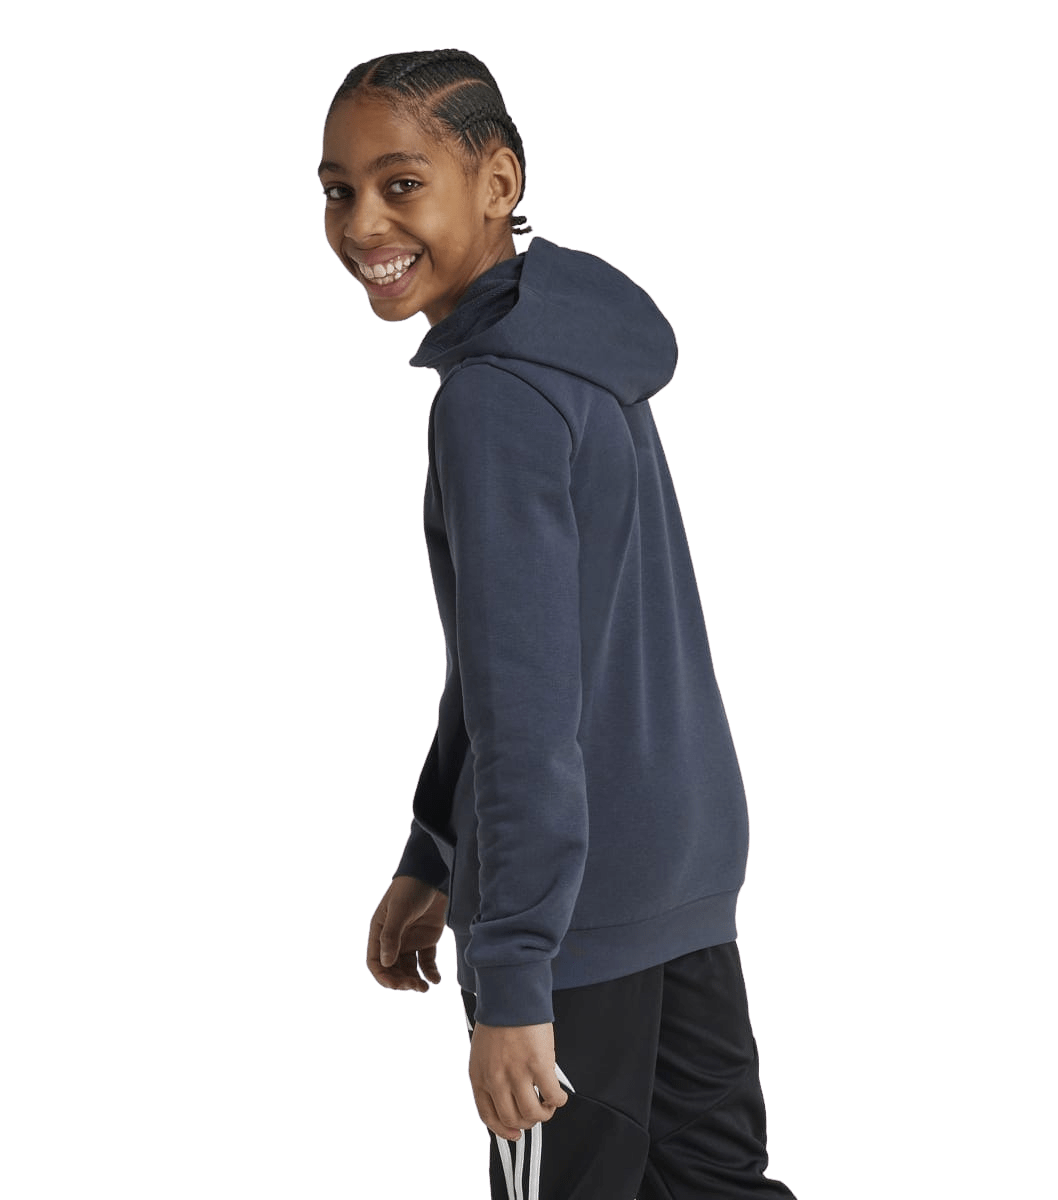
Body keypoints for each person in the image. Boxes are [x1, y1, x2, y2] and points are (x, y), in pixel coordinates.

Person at [323, 48, 796, 1200]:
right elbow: (521, 654)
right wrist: (432, 850)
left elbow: (527, 709)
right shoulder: (578, 351)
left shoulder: (493, 399)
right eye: (338, 190)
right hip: (678, 858)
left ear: (498, 181)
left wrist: (518, 976)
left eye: (401, 183)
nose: (362, 223)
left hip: (575, 912)